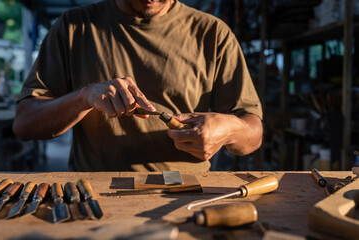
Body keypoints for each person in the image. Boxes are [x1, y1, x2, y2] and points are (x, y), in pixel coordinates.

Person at [13, 0, 263, 172]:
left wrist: (230, 130)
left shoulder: (213, 34)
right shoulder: (73, 28)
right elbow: (24, 125)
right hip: (94, 193)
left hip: (185, 194)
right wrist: (84, 97)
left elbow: (254, 134)